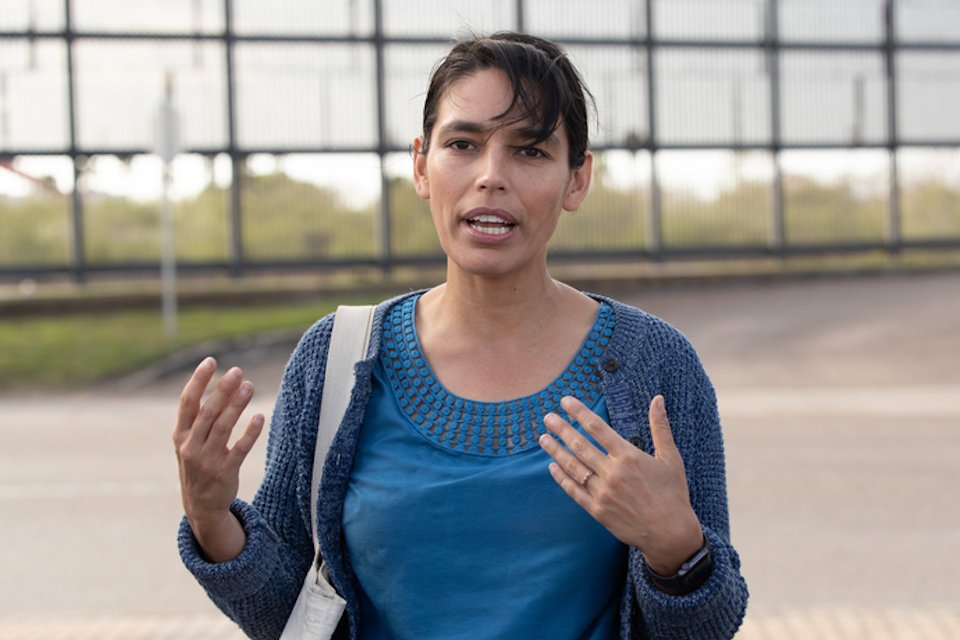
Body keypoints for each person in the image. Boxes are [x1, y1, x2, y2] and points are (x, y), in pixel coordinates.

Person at [174, 31, 748, 639]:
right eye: (463, 144)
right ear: (422, 165)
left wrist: (677, 549)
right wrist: (212, 518)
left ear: (577, 180)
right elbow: (294, 617)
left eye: (529, 151)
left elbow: (709, 627)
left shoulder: (654, 364)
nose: (491, 176)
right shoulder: (334, 359)